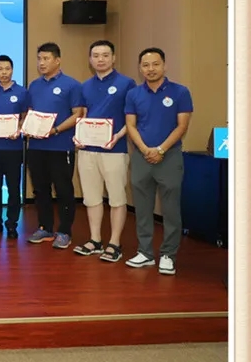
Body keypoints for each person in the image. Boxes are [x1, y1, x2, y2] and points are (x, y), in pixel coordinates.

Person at [124, 47, 193, 275]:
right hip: (141, 156)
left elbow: (182, 126)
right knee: (142, 208)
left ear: (164, 65)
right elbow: (131, 125)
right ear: (140, 68)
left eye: (155, 64)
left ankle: (168, 255)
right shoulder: (133, 94)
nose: (150, 69)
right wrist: (145, 149)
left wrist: (161, 149)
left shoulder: (180, 92)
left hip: (169, 157)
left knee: (171, 209)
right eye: (145, 65)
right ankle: (145, 252)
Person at [72, 41, 137, 262]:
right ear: (90, 59)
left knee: (117, 198)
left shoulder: (127, 84)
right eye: (96, 55)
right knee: (91, 197)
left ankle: (115, 243)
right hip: (87, 150)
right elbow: (82, 115)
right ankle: (95, 240)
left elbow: (132, 118)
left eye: (105, 55)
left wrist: (118, 136)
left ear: (113, 57)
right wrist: (79, 136)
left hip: (114, 149)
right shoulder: (85, 86)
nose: (100, 59)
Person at [25, 43, 85, 250]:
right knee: (40, 189)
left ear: (57, 60)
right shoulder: (34, 85)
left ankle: (65, 231)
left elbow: (78, 114)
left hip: (60, 146)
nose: (41, 63)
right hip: (36, 146)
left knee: (63, 189)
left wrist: (56, 130)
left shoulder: (72, 85)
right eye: (39, 59)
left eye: (46, 58)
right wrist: (28, 126)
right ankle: (45, 227)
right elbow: (31, 112)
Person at [0, 55, 28, 239]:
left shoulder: (22, 92)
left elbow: (25, 116)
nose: (4, 73)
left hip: (13, 149)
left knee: (13, 188)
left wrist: (19, 129)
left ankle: (12, 224)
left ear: (12, 70)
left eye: (7, 69)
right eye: (0, 69)